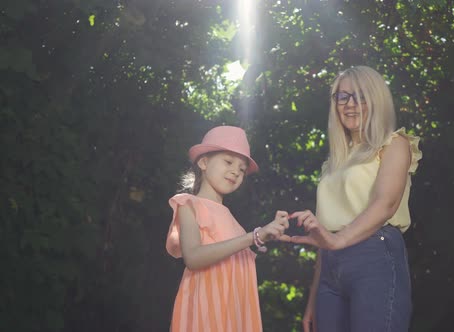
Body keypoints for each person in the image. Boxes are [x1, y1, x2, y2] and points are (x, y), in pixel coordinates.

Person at [285, 66, 422, 332]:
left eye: (360, 96)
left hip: (374, 253)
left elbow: (386, 204)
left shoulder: (394, 144)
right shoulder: (333, 164)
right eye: (342, 96)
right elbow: (327, 235)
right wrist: (313, 299)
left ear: (377, 99)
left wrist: (338, 240)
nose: (350, 104)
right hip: (331, 266)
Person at [165, 125, 289, 332]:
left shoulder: (236, 225)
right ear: (204, 162)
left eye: (242, 169)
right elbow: (193, 258)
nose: (235, 171)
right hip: (205, 315)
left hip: (233, 318)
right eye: (228, 162)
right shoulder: (189, 205)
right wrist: (255, 236)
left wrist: (266, 235)